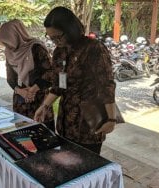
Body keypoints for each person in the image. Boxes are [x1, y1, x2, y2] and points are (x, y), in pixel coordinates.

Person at [34, 7, 116, 154]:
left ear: (70, 29)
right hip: (66, 122)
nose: (55, 41)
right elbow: (59, 85)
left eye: (58, 37)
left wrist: (111, 119)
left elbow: (106, 85)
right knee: (66, 165)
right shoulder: (59, 52)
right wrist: (44, 106)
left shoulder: (93, 48)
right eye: (51, 38)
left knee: (87, 169)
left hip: (89, 123)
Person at [0, 19, 54, 131]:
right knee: (23, 138)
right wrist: (21, 91)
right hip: (21, 102)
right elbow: (10, 78)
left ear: (17, 35)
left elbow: (50, 73)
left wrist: (33, 89)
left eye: (8, 41)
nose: (7, 46)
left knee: (43, 135)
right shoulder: (9, 52)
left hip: (40, 100)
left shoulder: (36, 48)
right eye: (4, 43)